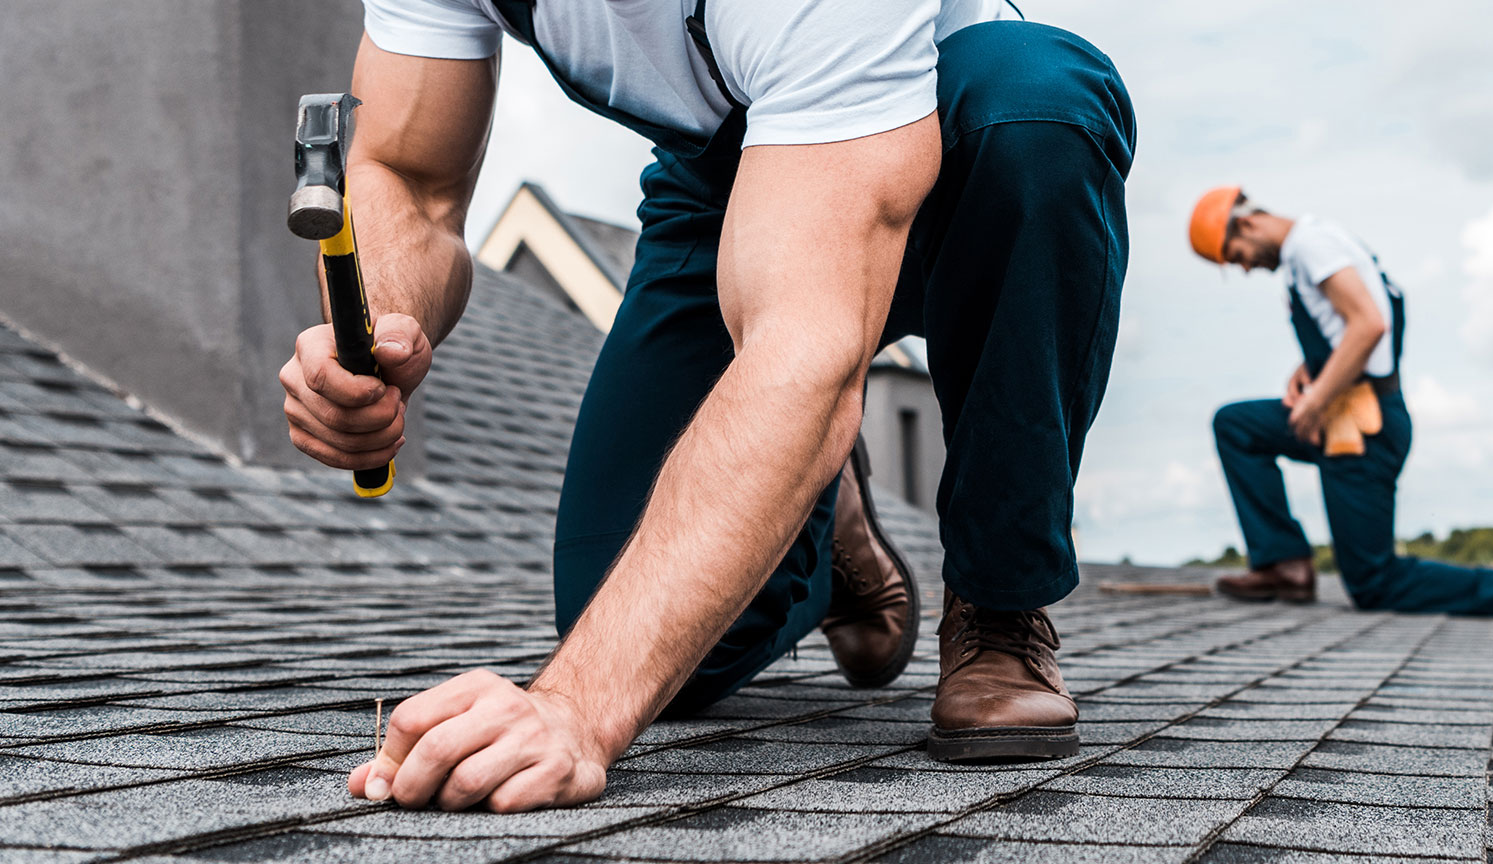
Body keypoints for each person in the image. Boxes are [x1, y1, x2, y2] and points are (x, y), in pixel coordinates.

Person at [279, 0, 1134, 811]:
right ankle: (828, 523)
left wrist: (574, 707)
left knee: (1038, 110)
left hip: (960, 135)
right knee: (638, 628)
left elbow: (803, 349)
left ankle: (999, 603)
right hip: (722, 177)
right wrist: (383, 328)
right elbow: (408, 177)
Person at [1188, 187, 1493, 616]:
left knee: (1374, 583)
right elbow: (1359, 320)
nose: (1243, 267)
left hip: (1365, 429)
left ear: (1246, 223)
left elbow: (1369, 325)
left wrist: (1315, 402)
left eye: (1234, 253)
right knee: (1237, 425)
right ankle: (1284, 564)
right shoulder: (1310, 250)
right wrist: (1310, 370)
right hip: (1341, 415)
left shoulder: (1312, 246)